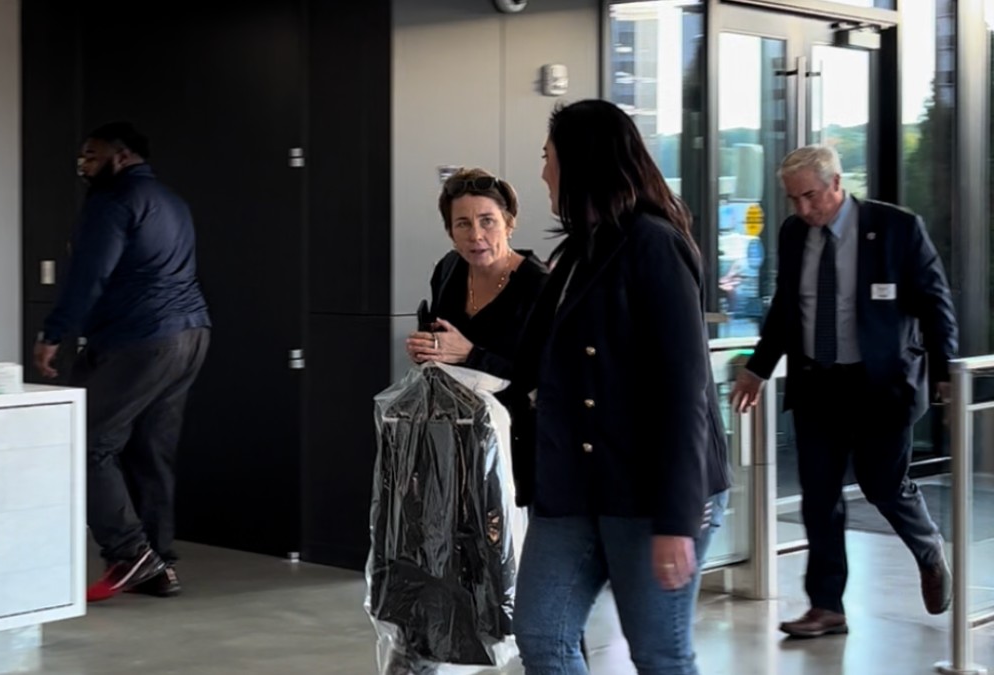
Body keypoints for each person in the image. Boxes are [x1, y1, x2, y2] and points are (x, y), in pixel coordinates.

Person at [511, 99, 730, 675]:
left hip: (648, 489)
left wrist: (678, 521)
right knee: (540, 632)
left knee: (659, 653)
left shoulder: (654, 244)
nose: (543, 173)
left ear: (582, 162)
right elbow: (538, 366)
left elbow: (687, 392)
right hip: (573, 484)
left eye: (548, 157)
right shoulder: (576, 253)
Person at [730, 144, 958, 638]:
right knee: (819, 495)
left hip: (881, 383)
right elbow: (786, 311)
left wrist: (945, 371)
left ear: (836, 184)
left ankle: (928, 548)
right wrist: (757, 368)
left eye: (809, 196)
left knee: (882, 483)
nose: (802, 209)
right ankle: (827, 605)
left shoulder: (896, 228)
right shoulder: (794, 235)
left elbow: (935, 302)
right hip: (818, 383)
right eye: (793, 200)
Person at [34, 121, 212, 602]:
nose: (84, 166)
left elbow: (90, 273)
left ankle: (129, 554)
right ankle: (157, 564)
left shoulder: (112, 203)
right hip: (190, 335)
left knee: (87, 442)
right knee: (151, 449)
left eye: (92, 156)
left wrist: (54, 332)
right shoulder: (172, 201)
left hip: (143, 339)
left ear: (123, 155)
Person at [405, 167, 548, 501]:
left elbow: (542, 380)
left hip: (514, 445)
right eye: (463, 224)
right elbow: (443, 338)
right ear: (450, 232)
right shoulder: (449, 269)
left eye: (488, 221)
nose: (475, 235)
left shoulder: (538, 287)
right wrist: (429, 348)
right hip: (452, 434)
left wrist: (470, 354)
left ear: (509, 223)